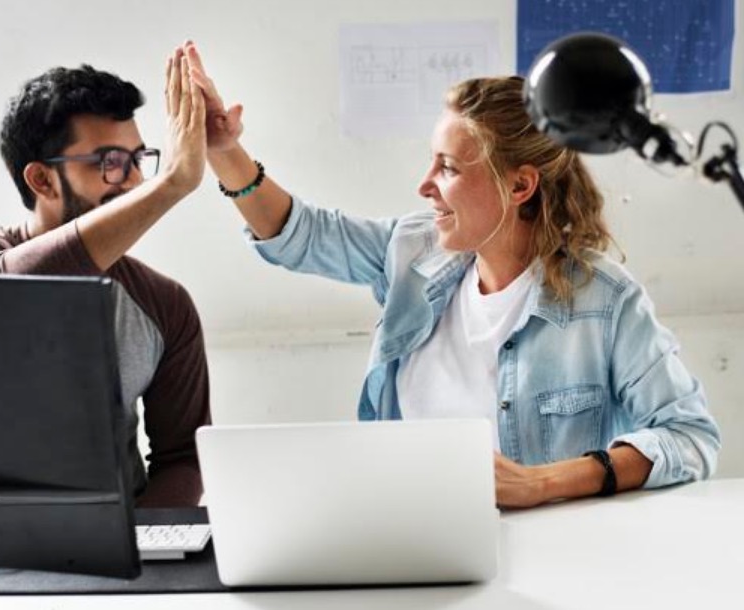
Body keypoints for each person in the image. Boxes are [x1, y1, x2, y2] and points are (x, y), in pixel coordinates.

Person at [184, 42, 720, 508]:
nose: (424, 185)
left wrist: (542, 483)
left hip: (554, 553)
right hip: (409, 534)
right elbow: (299, 234)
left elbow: (690, 438)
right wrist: (226, 152)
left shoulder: (606, 301)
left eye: (447, 167)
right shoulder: (411, 255)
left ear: (520, 186)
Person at [0, 50, 211, 507]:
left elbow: (182, 458)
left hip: (117, 558)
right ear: (42, 180)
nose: (135, 181)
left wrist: (139, 544)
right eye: (110, 161)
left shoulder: (165, 304)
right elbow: (5, 294)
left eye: (140, 160)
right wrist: (172, 184)